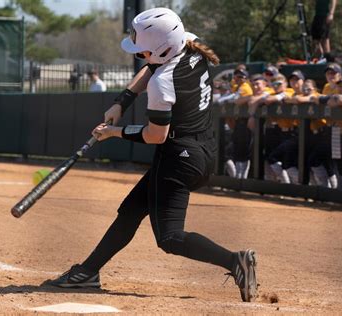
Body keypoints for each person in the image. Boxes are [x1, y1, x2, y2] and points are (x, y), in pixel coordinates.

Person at [47, 7, 258, 302]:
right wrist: (122, 101)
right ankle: (88, 271)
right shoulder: (189, 50)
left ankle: (236, 261)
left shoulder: (163, 84)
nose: (140, 56)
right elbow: (151, 67)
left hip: (177, 160)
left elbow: (155, 135)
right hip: (202, 152)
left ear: (159, 49)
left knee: (170, 238)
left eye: (141, 51)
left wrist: (114, 133)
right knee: (131, 211)